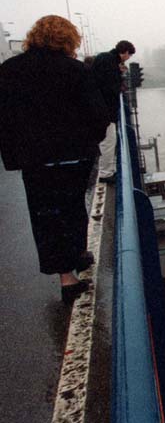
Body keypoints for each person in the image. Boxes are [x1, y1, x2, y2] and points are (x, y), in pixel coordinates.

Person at [0, 15, 109, 304]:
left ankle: (66, 277)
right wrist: (90, 141)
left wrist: (14, 156)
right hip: (75, 155)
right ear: (68, 39)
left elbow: (4, 119)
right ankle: (79, 254)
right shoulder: (76, 70)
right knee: (74, 208)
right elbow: (98, 114)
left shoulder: (9, 70)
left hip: (36, 160)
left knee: (46, 216)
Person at [91, 40, 135, 183]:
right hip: (105, 110)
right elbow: (111, 87)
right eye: (129, 55)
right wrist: (120, 80)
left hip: (99, 107)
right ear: (125, 52)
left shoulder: (105, 58)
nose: (128, 58)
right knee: (109, 141)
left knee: (107, 140)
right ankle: (106, 174)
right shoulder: (110, 62)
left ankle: (106, 170)